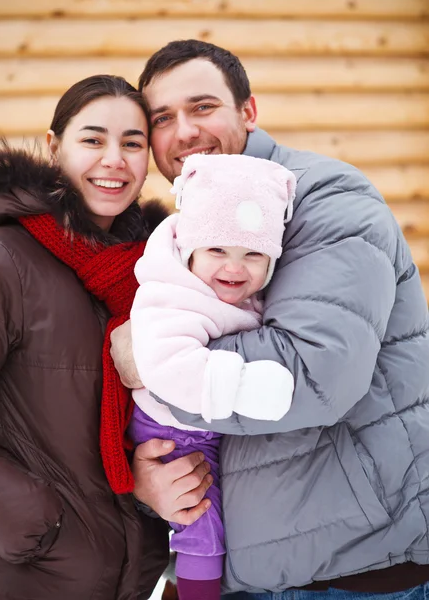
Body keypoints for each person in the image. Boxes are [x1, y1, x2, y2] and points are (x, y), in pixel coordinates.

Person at [110, 40, 429, 599]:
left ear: (248, 111)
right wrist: (149, 471)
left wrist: (159, 364)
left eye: (203, 107)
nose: (184, 131)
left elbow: (314, 373)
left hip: (353, 570)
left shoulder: (326, 198)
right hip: (258, 567)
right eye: (163, 117)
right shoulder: (184, 232)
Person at [0, 74, 173, 599]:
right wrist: (37, 523)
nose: (115, 159)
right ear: (54, 146)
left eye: (132, 143)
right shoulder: (2, 263)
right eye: (93, 139)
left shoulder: (147, 275)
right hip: (21, 578)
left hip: (123, 581)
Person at [123, 153, 296, 600]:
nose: (234, 268)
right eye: (217, 250)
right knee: (201, 521)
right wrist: (240, 385)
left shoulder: (239, 293)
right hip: (170, 430)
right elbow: (168, 368)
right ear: (190, 250)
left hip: (206, 427)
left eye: (253, 254)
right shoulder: (173, 296)